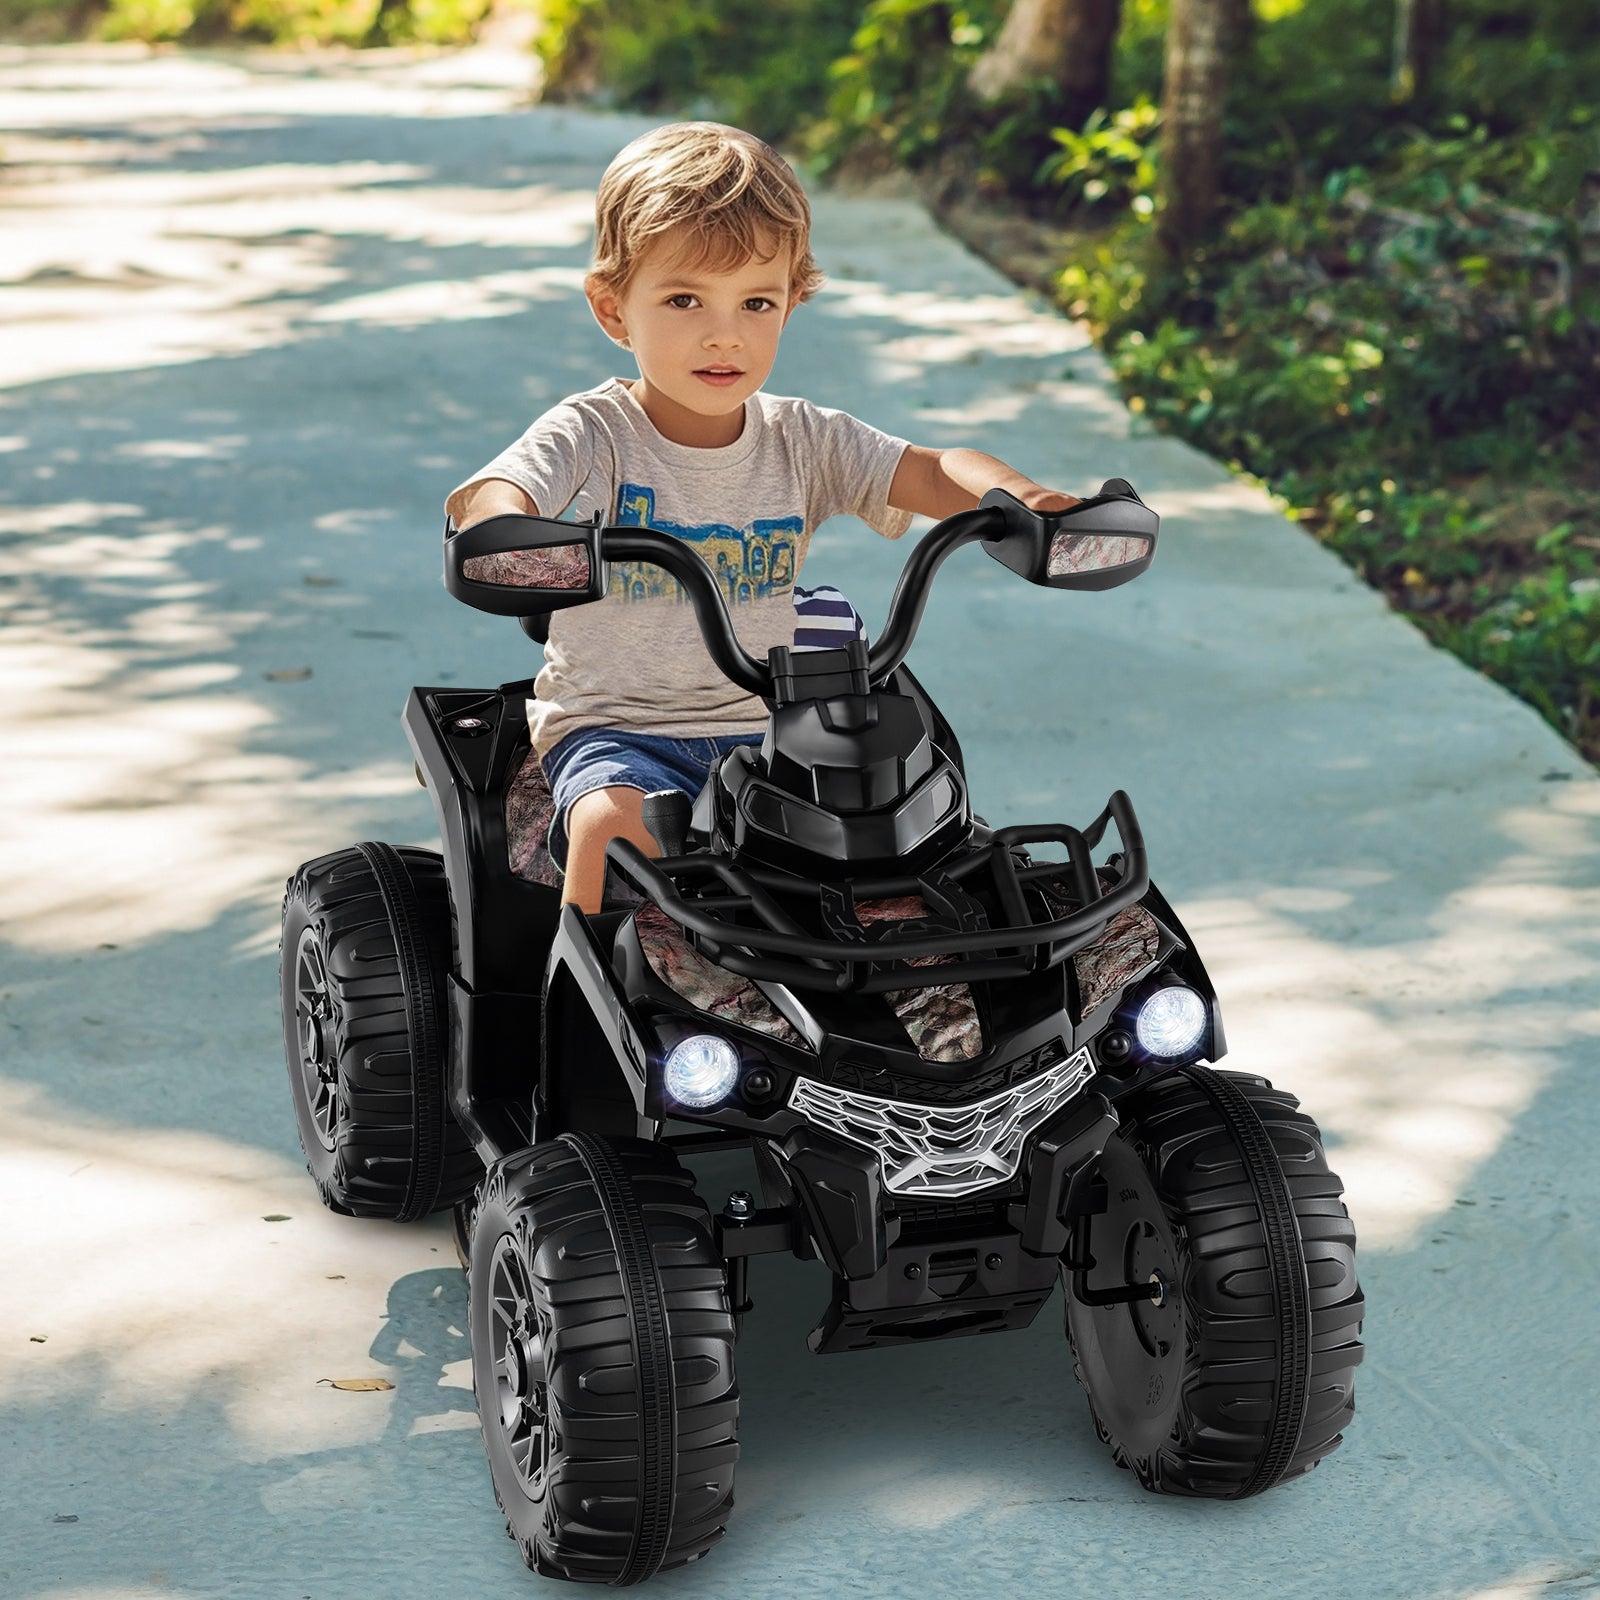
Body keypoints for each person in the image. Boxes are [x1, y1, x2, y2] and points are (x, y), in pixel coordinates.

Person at [445, 121, 1079, 915]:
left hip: (777, 736)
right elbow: (496, 492)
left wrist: (1028, 502)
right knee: (612, 826)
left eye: (756, 301)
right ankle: (576, 1019)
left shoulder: (804, 439)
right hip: (623, 731)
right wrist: (505, 527)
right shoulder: (594, 434)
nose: (725, 333)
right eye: (683, 300)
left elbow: (926, 469)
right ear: (614, 309)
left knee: (918, 845)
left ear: (791, 303)